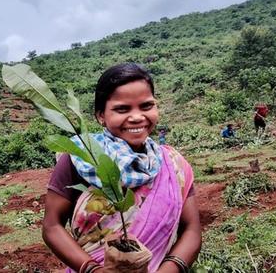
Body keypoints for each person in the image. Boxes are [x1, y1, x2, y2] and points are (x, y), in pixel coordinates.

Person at [43, 63, 201, 272]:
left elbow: (191, 228)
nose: (137, 117)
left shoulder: (174, 163)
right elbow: (52, 226)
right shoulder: (81, 158)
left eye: (146, 106)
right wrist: (93, 270)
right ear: (101, 115)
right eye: (122, 109)